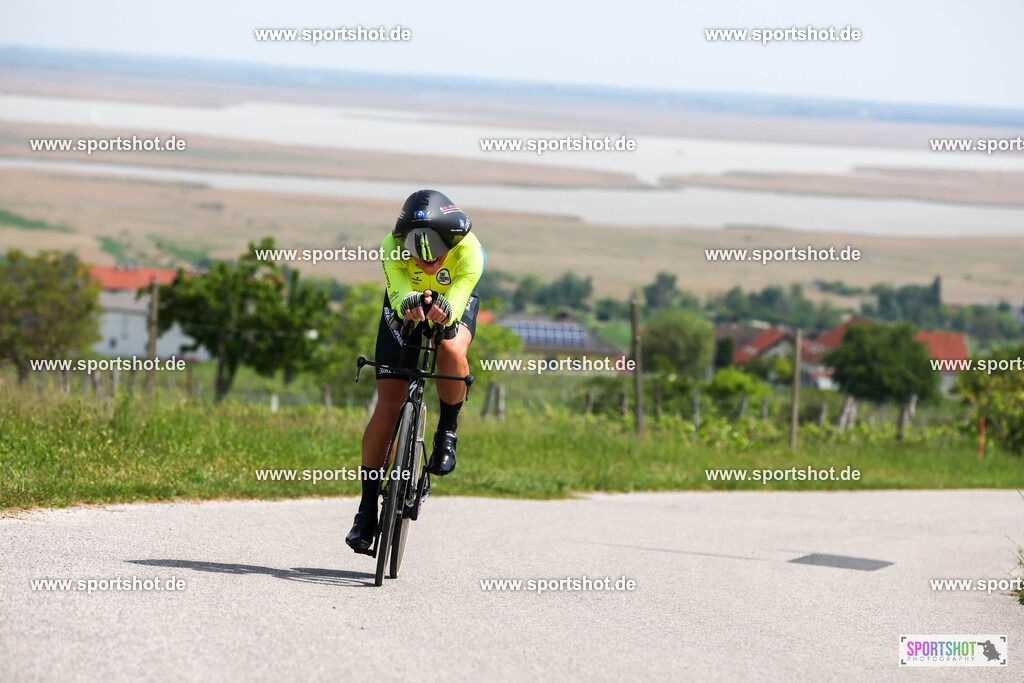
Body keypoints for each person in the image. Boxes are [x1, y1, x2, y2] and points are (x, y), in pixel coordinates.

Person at [346, 189, 485, 553]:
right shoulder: (391, 246)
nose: (425, 265)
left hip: (451, 299)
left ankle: (447, 431)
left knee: (451, 348)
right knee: (389, 404)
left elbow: (457, 299)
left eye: (434, 259)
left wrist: (444, 312)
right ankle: (366, 509)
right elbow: (398, 290)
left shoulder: (469, 250)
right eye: (417, 258)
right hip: (405, 302)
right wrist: (407, 302)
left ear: (449, 245)